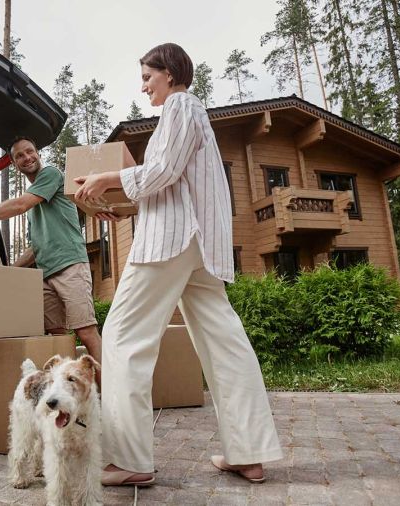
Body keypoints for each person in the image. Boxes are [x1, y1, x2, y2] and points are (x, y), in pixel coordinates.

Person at [74, 43, 283, 487]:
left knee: (123, 336)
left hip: (173, 241)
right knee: (224, 343)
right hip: (198, 246)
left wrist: (105, 179)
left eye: (147, 75)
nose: (143, 84)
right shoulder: (191, 115)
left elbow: (162, 170)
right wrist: (122, 208)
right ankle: (248, 453)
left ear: (169, 73)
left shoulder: (181, 105)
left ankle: (130, 459)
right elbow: (172, 184)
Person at [0, 137, 103, 384]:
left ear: (38, 153)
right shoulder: (33, 206)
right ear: (14, 163)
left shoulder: (51, 175)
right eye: (19, 155)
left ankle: (107, 396)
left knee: (85, 332)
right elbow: (34, 249)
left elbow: (20, 205)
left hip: (71, 264)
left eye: (30, 151)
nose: (27, 157)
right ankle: (69, 394)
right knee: (58, 336)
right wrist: (5, 273)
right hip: (46, 273)